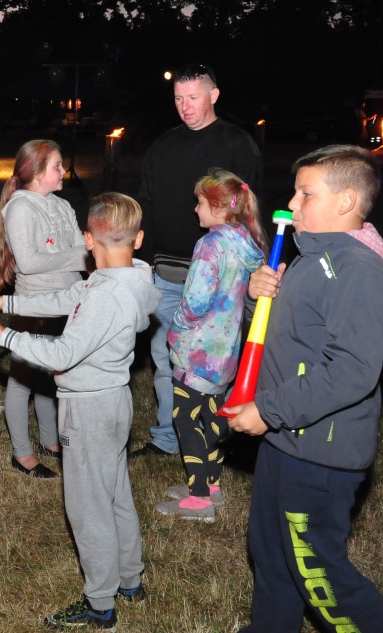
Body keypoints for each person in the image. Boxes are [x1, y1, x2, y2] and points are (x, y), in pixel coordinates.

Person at [226, 145, 383, 632]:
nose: (293, 203)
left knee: (318, 574)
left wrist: (268, 409)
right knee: (272, 556)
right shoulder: (311, 256)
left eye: (306, 193)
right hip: (287, 438)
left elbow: (351, 369)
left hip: (320, 452)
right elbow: (284, 334)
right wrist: (255, 298)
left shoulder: (358, 272)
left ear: (346, 202)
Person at [0, 193, 161, 630]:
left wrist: (4, 336)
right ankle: (130, 580)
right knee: (114, 493)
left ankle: (100, 605)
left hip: (89, 406)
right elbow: (65, 298)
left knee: (88, 507)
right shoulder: (127, 278)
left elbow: (65, 352)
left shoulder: (107, 295)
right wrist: (4, 305)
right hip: (114, 400)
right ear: (139, 238)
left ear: (88, 240)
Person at [132, 63, 264, 458]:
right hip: (168, 275)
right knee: (164, 359)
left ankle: (213, 440)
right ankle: (169, 437)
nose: (185, 107)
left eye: (193, 97)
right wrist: (146, 261)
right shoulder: (162, 147)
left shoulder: (238, 145)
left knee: (213, 364)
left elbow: (250, 210)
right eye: (178, 99)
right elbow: (146, 204)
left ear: (214, 96)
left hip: (221, 280)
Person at [153, 170, 267, 522]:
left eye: (200, 202)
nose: (195, 209)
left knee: (185, 421)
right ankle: (211, 483)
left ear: (218, 207)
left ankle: (199, 498)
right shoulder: (245, 242)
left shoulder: (209, 245)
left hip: (197, 353)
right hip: (226, 355)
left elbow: (194, 302)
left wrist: (177, 329)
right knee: (214, 417)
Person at [0, 139, 89, 478]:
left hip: (69, 303)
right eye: (57, 167)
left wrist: (83, 260)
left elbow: (80, 245)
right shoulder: (20, 208)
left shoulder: (62, 205)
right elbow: (30, 263)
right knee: (23, 380)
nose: (64, 171)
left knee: (54, 373)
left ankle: (50, 438)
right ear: (36, 173)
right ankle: (21, 454)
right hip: (36, 308)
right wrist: (81, 255)